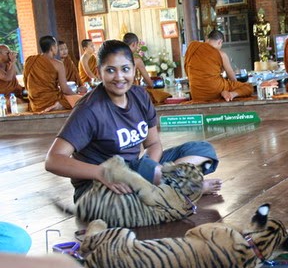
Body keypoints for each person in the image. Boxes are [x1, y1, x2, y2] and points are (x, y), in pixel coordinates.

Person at [45, 40, 222, 204]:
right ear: (99, 72)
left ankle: (164, 184)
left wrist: (150, 169)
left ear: (134, 70)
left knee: (203, 149)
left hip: (135, 169)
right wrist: (102, 173)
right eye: (110, 70)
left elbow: (153, 143)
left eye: (125, 69)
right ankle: (185, 188)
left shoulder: (140, 96)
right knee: (134, 190)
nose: (119, 77)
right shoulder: (89, 109)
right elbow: (53, 160)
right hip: (100, 186)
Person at [184, 30, 253, 102]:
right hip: (216, 92)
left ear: (207, 39)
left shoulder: (192, 47)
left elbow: (187, 71)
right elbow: (232, 78)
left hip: (196, 94)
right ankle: (231, 95)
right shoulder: (221, 54)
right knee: (248, 87)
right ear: (220, 42)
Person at [23, 36, 80, 112]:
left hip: (36, 103)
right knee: (79, 101)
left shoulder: (30, 60)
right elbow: (65, 89)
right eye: (56, 46)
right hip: (52, 99)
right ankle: (59, 105)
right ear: (52, 48)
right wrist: (76, 95)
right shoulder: (58, 64)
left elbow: (26, 81)